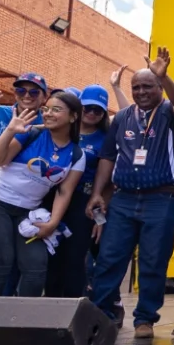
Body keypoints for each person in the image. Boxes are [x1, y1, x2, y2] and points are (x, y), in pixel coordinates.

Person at [87, 51, 174, 338]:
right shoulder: (121, 118)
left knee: (153, 261)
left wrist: (164, 74)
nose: (141, 92)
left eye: (148, 86)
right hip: (123, 199)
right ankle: (101, 316)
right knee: (109, 258)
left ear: (159, 88)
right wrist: (98, 194)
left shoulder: (171, 113)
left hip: (163, 198)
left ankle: (144, 319)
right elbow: (108, 158)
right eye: (136, 87)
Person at [0, 90, 85, 298]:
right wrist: (10, 132)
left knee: (35, 267)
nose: (48, 114)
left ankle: (21, 323)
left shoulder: (77, 154)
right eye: (46, 109)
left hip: (25, 212)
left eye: (56, 110)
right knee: (0, 263)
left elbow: (64, 191)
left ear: (73, 116)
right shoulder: (30, 133)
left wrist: (52, 223)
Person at [47, 88, 113, 298]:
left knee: (76, 257)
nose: (92, 113)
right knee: (51, 255)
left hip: (84, 202)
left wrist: (100, 219)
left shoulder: (106, 139)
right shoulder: (62, 130)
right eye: (88, 107)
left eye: (98, 110)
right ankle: (49, 306)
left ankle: (73, 308)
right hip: (52, 197)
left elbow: (108, 185)